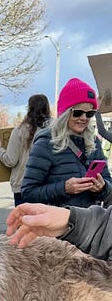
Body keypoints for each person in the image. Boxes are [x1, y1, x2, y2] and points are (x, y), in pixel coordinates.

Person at [21, 78, 112, 207]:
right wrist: (64, 188)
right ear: (65, 113)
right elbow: (28, 192)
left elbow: (108, 185)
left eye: (89, 113)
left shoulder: (93, 141)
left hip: (89, 223)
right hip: (58, 224)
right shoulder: (46, 143)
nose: (84, 118)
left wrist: (102, 188)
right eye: (78, 112)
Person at [0, 94, 51, 206]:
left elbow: (11, 160)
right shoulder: (56, 129)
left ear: (29, 109)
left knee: (24, 222)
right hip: (48, 186)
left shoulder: (20, 131)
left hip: (23, 186)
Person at [6, 202, 112, 260]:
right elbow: (30, 190)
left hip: (78, 239)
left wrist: (103, 188)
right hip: (61, 230)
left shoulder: (93, 160)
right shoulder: (39, 160)